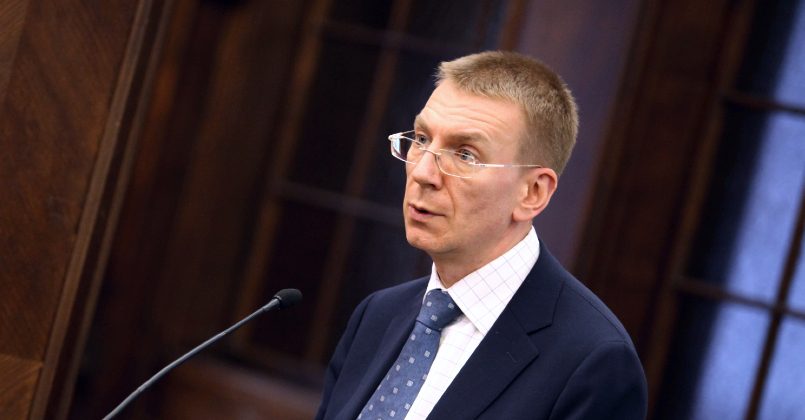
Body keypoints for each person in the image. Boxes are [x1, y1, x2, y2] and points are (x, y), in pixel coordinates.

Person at [315, 51, 647, 420]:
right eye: (422, 139)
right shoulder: (377, 315)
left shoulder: (592, 361)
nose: (423, 173)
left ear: (533, 192)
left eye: (465, 155)